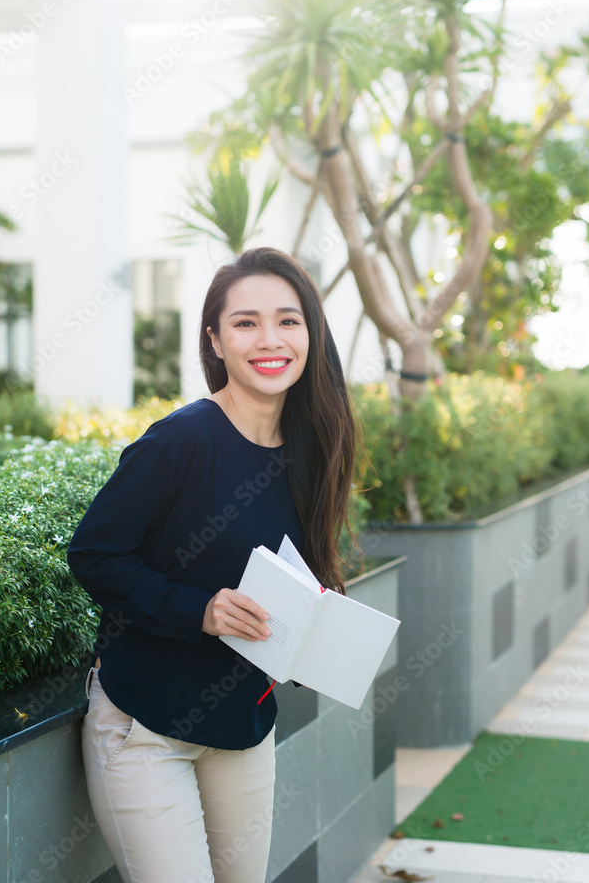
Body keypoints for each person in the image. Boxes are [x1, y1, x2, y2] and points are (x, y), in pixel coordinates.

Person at [67, 245, 359, 883]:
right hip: (144, 727)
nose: (269, 339)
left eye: (288, 320)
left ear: (310, 333)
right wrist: (197, 609)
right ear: (215, 340)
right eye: (245, 322)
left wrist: (314, 629)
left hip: (242, 725)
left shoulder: (312, 452)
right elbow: (93, 553)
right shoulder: (180, 440)